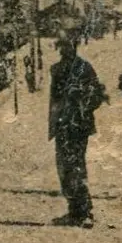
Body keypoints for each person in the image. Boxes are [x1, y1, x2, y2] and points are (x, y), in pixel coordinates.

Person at [48, 29, 109, 227]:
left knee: (75, 165)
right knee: (64, 167)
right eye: (62, 46)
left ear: (74, 46)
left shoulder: (84, 68)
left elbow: (97, 95)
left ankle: (83, 211)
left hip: (78, 125)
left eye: (68, 45)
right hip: (62, 125)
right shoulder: (56, 69)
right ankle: (74, 209)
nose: (64, 49)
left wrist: (81, 106)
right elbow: (54, 101)